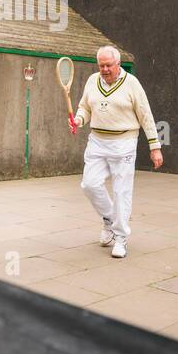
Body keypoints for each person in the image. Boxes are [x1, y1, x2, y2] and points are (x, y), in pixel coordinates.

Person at [72, 45, 162, 258]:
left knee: (122, 192)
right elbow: (85, 107)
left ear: (118, 63)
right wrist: (78, 119)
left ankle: (120, 237)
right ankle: (108, 220)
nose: (104, 69)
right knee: (89, 184)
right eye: (101, 65)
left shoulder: (132, 83)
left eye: (108, 65)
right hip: (97, 141)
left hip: (124, 142)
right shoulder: (93, 80)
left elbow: (145, 115)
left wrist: (155, 147)